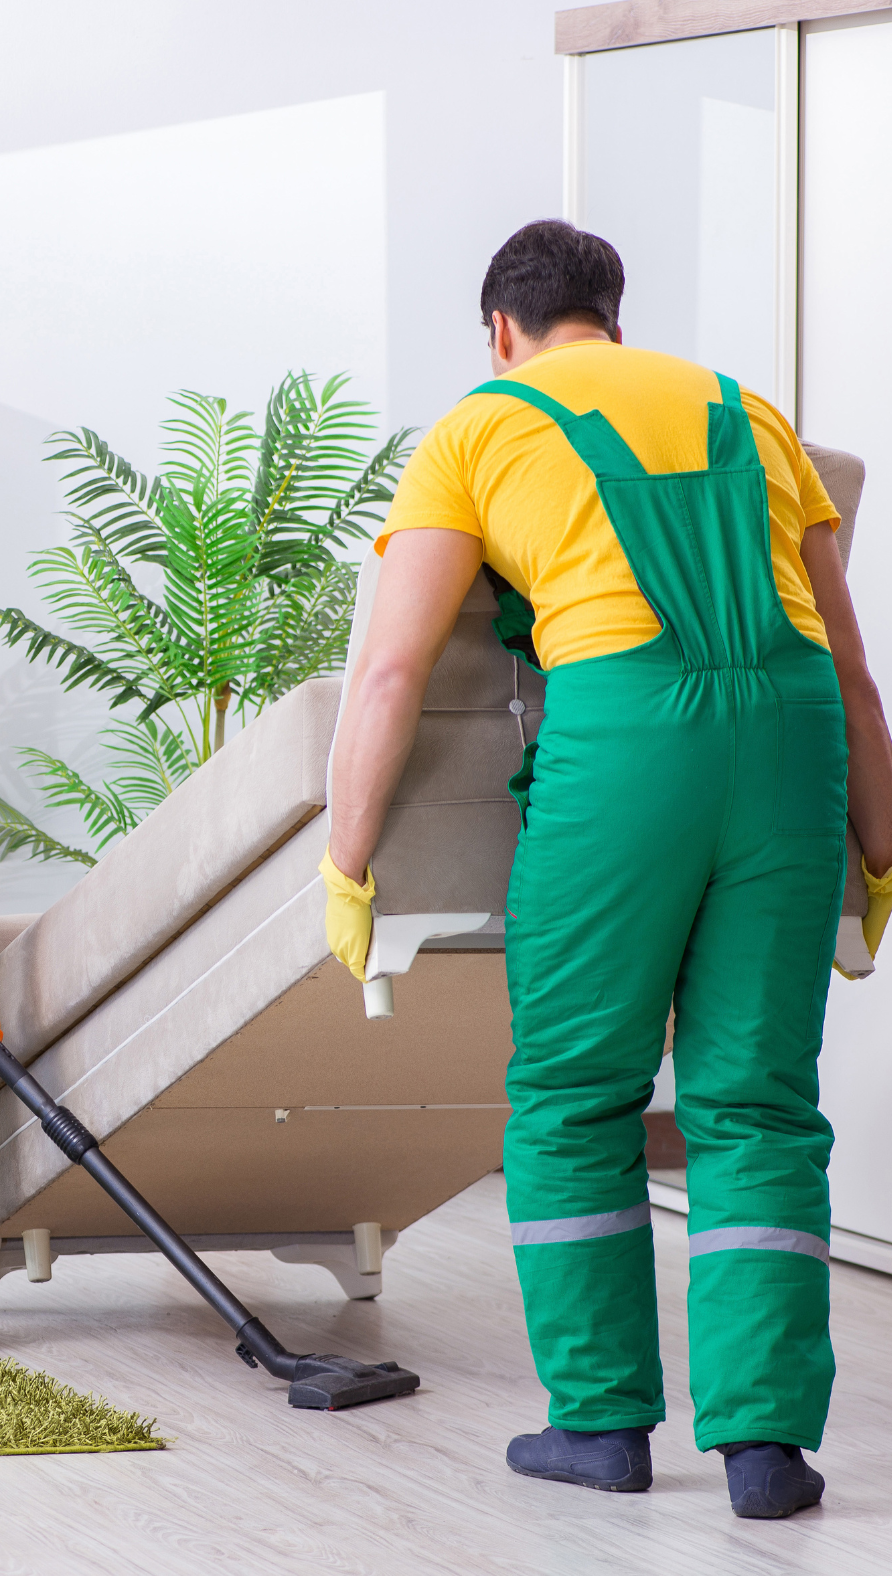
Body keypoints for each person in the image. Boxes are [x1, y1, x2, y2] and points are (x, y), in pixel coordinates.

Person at [321, 220, 892, 1518]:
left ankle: (601, 1426)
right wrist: (879, 850)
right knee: (758, 1103)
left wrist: (349, 865)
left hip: (628, 737)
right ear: (613, 318)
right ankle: (765, 1453)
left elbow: (394, 667)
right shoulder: (749, 413)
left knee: (577, 1091)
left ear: (501, 330)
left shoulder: (481, 425)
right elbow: (852, 664)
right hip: (793, 735)